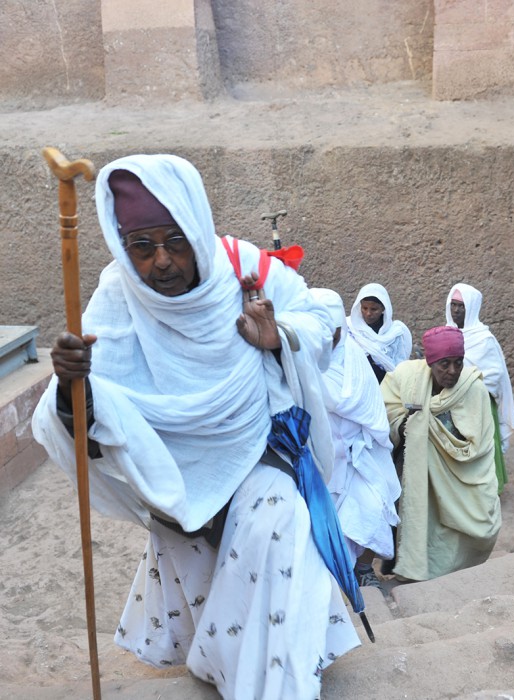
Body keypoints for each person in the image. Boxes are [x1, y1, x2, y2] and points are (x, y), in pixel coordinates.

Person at [32, 154, 360, 699]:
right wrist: (72, 385)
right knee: (217, 594)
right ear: (121, 245)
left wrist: (278, 336)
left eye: (175, 241)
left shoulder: (245, 267)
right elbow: (83, 415)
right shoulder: (118, 296)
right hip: (176, 478)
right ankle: (229, 669)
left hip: (261, 453)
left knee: (280, 530)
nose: (161, 262)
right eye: (142, 247)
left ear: (197, 227)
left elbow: (325, 319)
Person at [380, 326, 502, 582]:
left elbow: (478, 444)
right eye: (444, 365)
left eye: (458, 363)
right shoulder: (407, 377)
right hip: (412, 466)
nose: (452, 372)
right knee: (410, 511)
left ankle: (447, 571)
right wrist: (407, 425)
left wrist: (438, 433)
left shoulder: (473, 389)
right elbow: (385, 411)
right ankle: (409, 566)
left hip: (456, 470)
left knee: (464, 521)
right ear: (430, 362)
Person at [310, 287, 401, 588]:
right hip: (318, 460)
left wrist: (365, 443)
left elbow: (372, 411)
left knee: (374, 508)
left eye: (334, 331)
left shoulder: (354, 360)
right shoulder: (301, 362)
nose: (328, 339)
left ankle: (363, 569)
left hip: (360, 454)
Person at [446, 283, 514, 494]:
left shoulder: (484, 340)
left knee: (483, 446)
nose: (457, 311)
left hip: (478, 403)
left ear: (473, 308)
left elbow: (493, 376)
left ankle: (486, 490)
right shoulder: (446, 334)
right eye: (453, 305)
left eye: (462, 306)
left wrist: (466, 379)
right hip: (452, 401)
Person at [346, 283, 412, 383]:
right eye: (364, 308)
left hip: (387, 388)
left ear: (383, 308)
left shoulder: (397, 332)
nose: (368, 313)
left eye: (374, 309)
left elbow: (401, 365)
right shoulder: (349, 328)